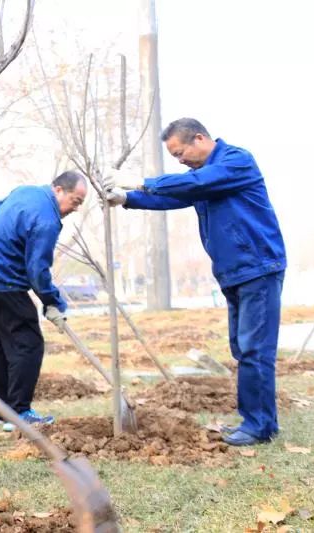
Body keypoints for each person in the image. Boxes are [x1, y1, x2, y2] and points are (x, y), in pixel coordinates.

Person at [104, 118, 286, 446]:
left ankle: (258, 426)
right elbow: (175, 197)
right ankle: (261, 421)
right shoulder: (202, 180)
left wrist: (140, 181)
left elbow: (195, 183)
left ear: (199, 138)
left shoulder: (235, 162)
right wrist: (127, 198)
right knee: (243, 348)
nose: (180, 160)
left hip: (258, 267)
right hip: (235, 271)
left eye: (179, 152)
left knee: (254, 349)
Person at [0, 171, 87, 431]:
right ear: (58, 190)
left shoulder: (25, 191)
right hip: (7, 283)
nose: (75, 208)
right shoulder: (46, 220)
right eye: (75, 200)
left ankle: (0, 411)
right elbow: (37, 269)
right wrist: (52, 301)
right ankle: (19, 412)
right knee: (29, 346)